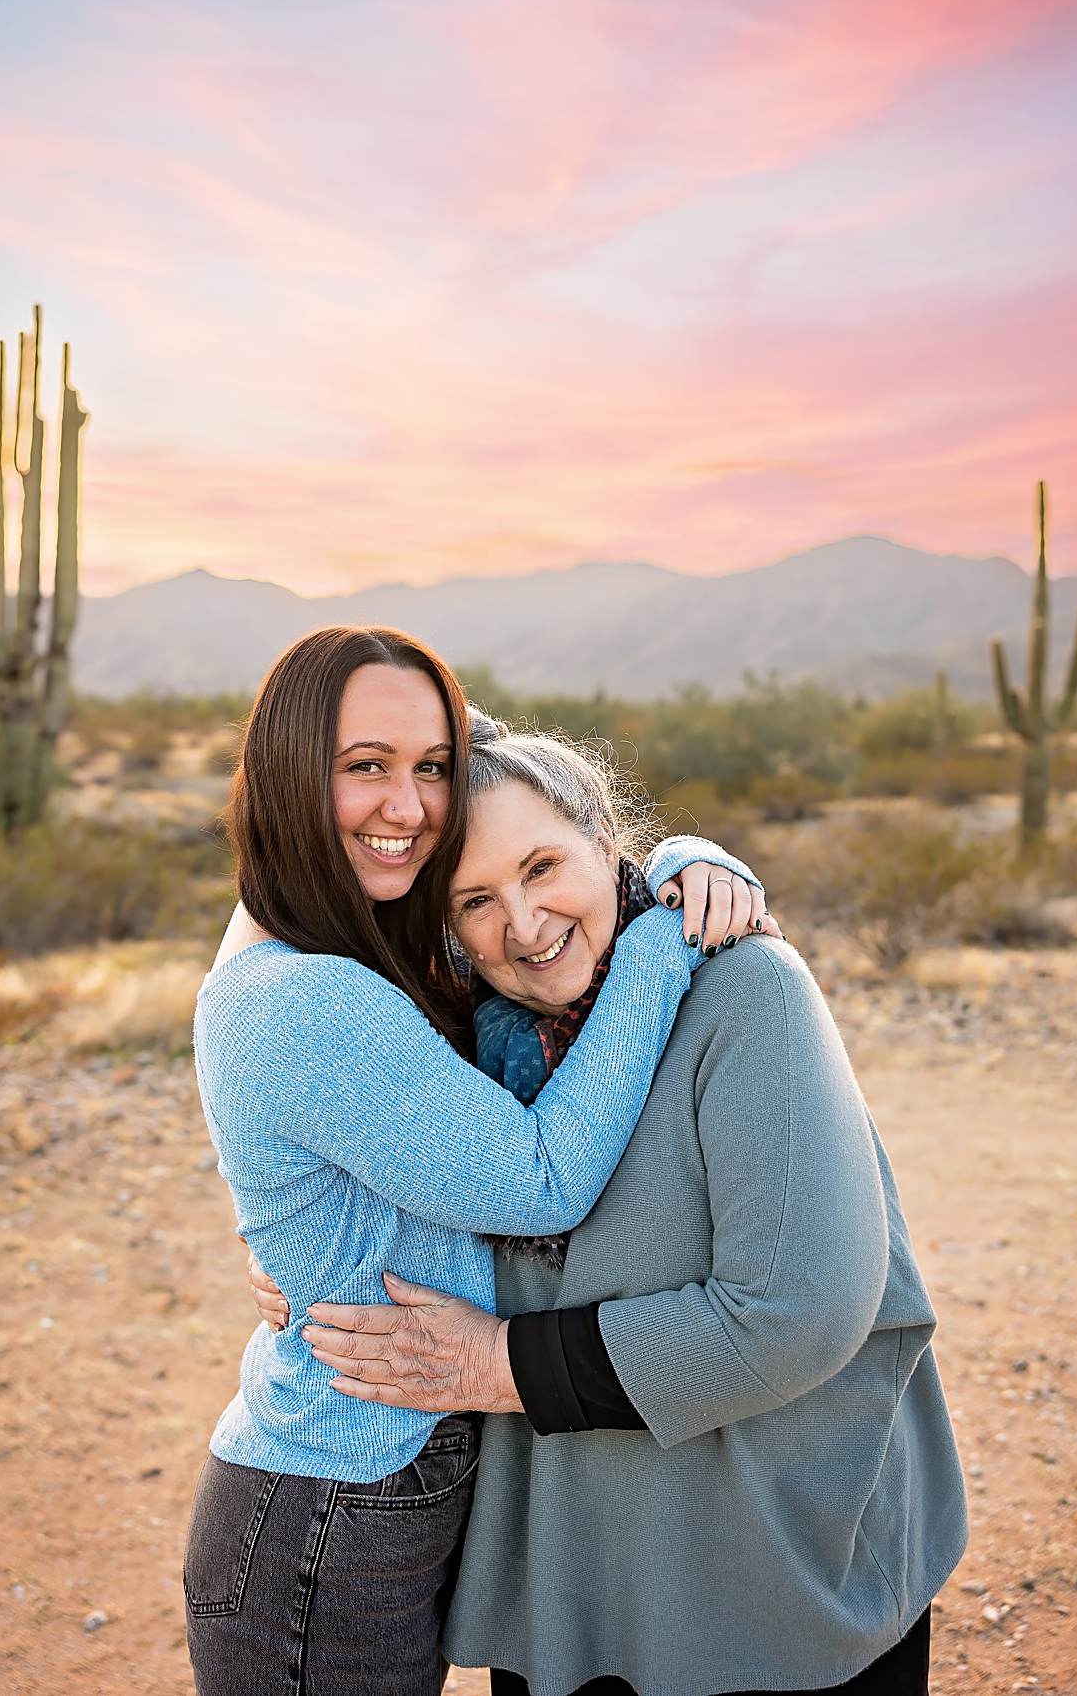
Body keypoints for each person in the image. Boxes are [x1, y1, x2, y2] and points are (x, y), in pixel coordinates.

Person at [254, 718, 969, 1696]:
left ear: (606, 839)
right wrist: (305, 1261)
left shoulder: (743, 988)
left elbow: (798, 1312)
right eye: (475, 901)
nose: (525, 923)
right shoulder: (472, 1044)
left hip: (767, 1575)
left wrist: (495, 1364)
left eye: (544, 865)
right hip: (574, 1586)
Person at [185, 624, 772, 1696]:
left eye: (429, 770)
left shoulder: (353, 937)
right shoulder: (303, 993)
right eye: (363, 767)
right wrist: (659, 932)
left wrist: (676, 859)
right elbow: (540, 1182)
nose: (406, 807)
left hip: (371, 1489)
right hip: (327, 1505)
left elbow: (519, 789)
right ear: (286, 775)